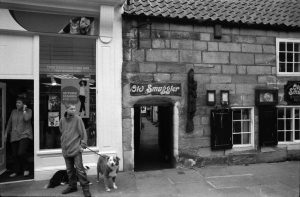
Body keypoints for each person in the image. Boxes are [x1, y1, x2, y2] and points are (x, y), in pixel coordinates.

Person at [59, 104, 91, 197]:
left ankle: (85, 188)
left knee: (80, 170)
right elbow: (62, 131)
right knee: (69, 170)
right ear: (66, 109)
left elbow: (83, 133)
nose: (74, 110)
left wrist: (82, 146)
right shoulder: (62, 120)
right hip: (66, 149)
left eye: (74, 109)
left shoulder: (78, 119)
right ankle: (72, 186)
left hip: (76, 149)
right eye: (71, 109)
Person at [4, 96, 33, 177]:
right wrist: (6, 133)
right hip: (14, 135)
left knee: (21, 152)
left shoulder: (28, 111)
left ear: (24, 104)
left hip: (25, 134)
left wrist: (24, 110)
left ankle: (26, 168)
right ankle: (17, 171)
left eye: (19, 103)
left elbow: (27, 119)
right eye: (17, 102)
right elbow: (9, 123)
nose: (17, 104)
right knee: (14, 154)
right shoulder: (13, 112)